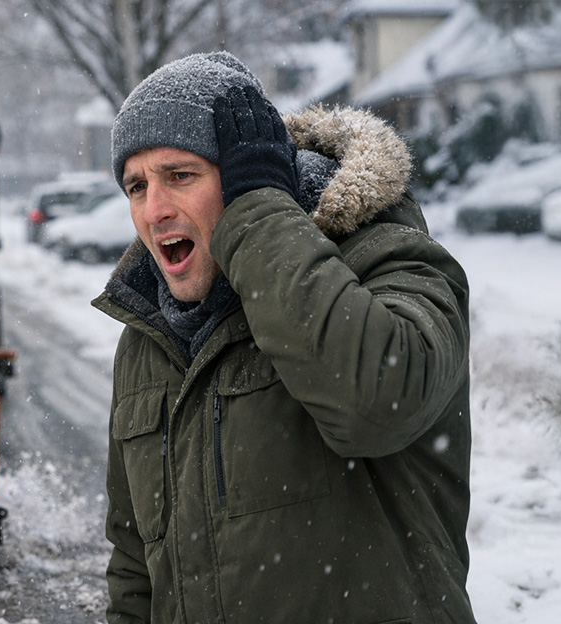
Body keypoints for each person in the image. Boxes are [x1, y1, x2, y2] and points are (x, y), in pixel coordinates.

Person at [91, 51, 474, 623]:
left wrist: (259, 216)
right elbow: (134, 566)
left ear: (253, 177)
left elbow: (376, 401)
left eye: (180, 176)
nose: (154, 209)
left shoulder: (387, 263)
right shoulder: (151, 338)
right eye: (136, 186)